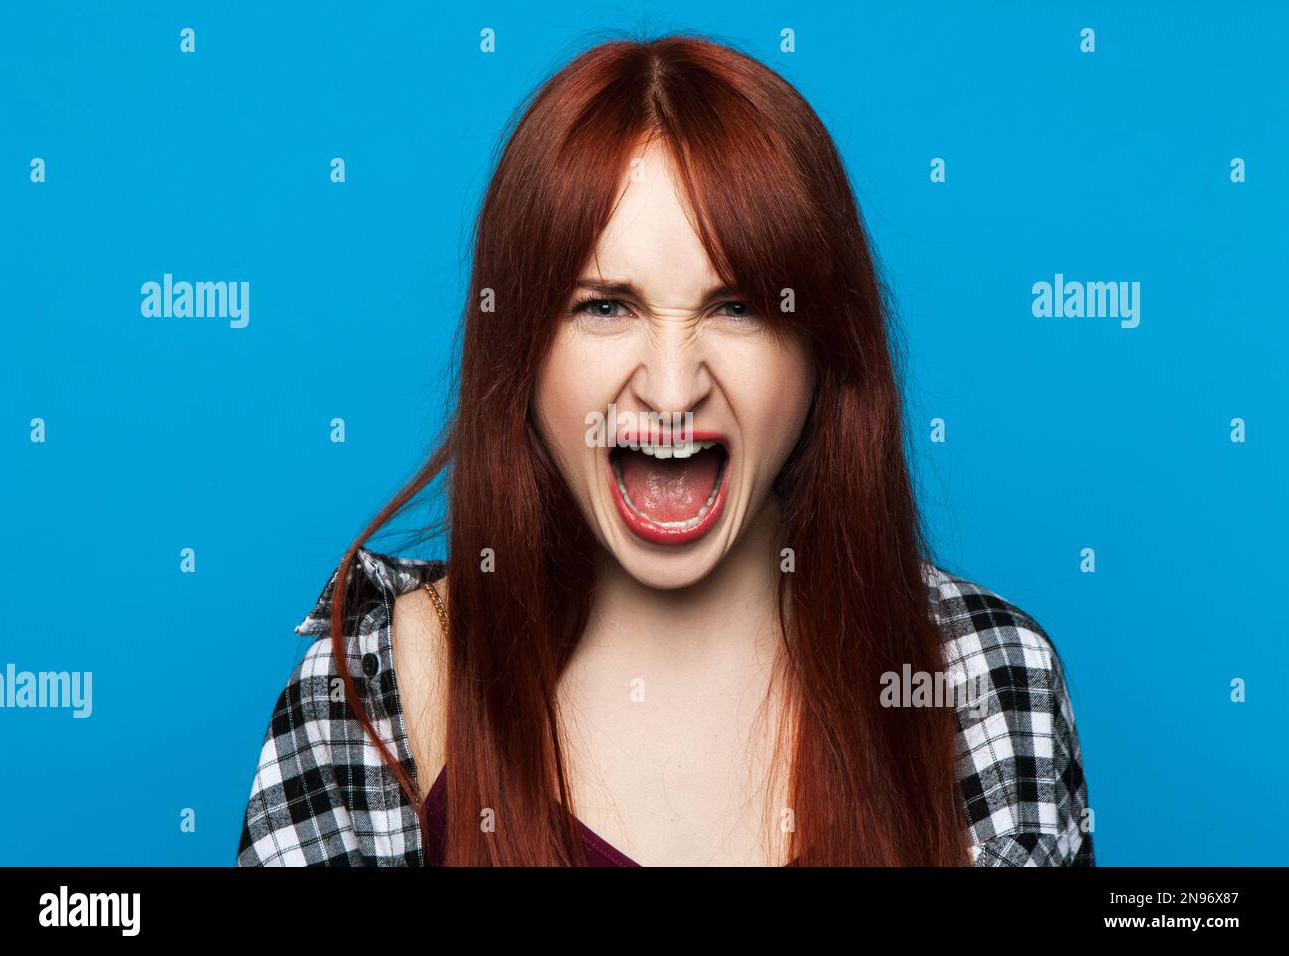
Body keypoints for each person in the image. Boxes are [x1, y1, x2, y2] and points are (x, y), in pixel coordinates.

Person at [237, 33, 1093, 867]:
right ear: (522, 353)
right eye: (606, 306)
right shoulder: (363, 704)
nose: (673, 388)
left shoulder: (986, 681)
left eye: (738, 306)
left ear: (825, 352)